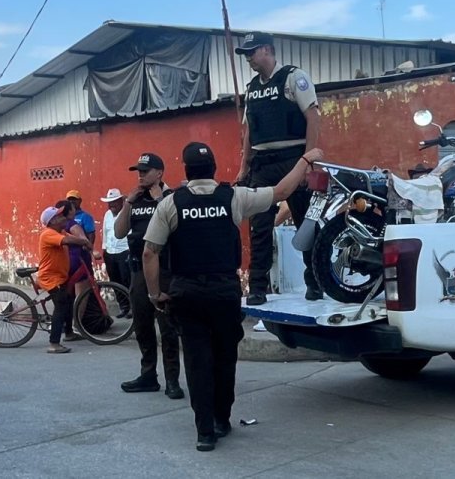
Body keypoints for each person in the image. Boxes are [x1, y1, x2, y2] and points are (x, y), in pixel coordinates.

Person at [143, 141, 322, 451]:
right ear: (213, 168)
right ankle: (221, 419)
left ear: (186, 170)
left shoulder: (170, 204)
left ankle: (204, 433)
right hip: (225, 292)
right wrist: (305, 159)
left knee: (197, 361)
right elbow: (280, 192)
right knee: (225, 359)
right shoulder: (234, 197)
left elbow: (150, 252)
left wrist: (154, 292)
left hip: (187, 293)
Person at [234, 32, 323, 304]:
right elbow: (249, 131)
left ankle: (316, 282)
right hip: (262, 164)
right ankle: (258, 288)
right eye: (245, 53)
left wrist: (309, 163)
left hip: (293, 158)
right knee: (259, 228)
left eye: (252, 51)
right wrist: (243, 167)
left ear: (267, 50)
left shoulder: (294, 77)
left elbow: (313, 118)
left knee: (306, 224)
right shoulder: (251, 88)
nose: (248, 57)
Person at [113, 152, 183, 399]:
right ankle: (148, 375)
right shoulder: (136, 198)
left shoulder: (173, 197)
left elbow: (179, 232)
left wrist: (161, 199)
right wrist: (128, 203)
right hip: (138, 271)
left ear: (160, 173)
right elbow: (120, 233)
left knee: (167, 327)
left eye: (145, 171)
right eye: (138, 171)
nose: (140, 175)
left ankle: (172, 380)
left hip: (164, 270)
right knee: (142, 324)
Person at [38, 204, 93, 354]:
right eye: (60, 216)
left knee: (68, 301)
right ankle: (54, 343)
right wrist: (84, 242)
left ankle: (69, 333)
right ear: (53, 221)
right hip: (51, 278)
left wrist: (84, 243)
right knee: (61, 306)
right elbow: (68, 241)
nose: (64, 218)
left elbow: (73, 238)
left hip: (60, 275)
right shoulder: (48, 234)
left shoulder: (60, 231)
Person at [100, 188, 132, 318]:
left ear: (120, 201)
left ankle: (133, 307)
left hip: (124, 251)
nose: (111, 205)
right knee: (115, 281)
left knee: (127, 280)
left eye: (114, 202)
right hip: (110, 252)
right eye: (109, 202)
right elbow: (105, 232)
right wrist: (104, 249)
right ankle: (123, 307)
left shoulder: (126, 213)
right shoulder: (107, 214)